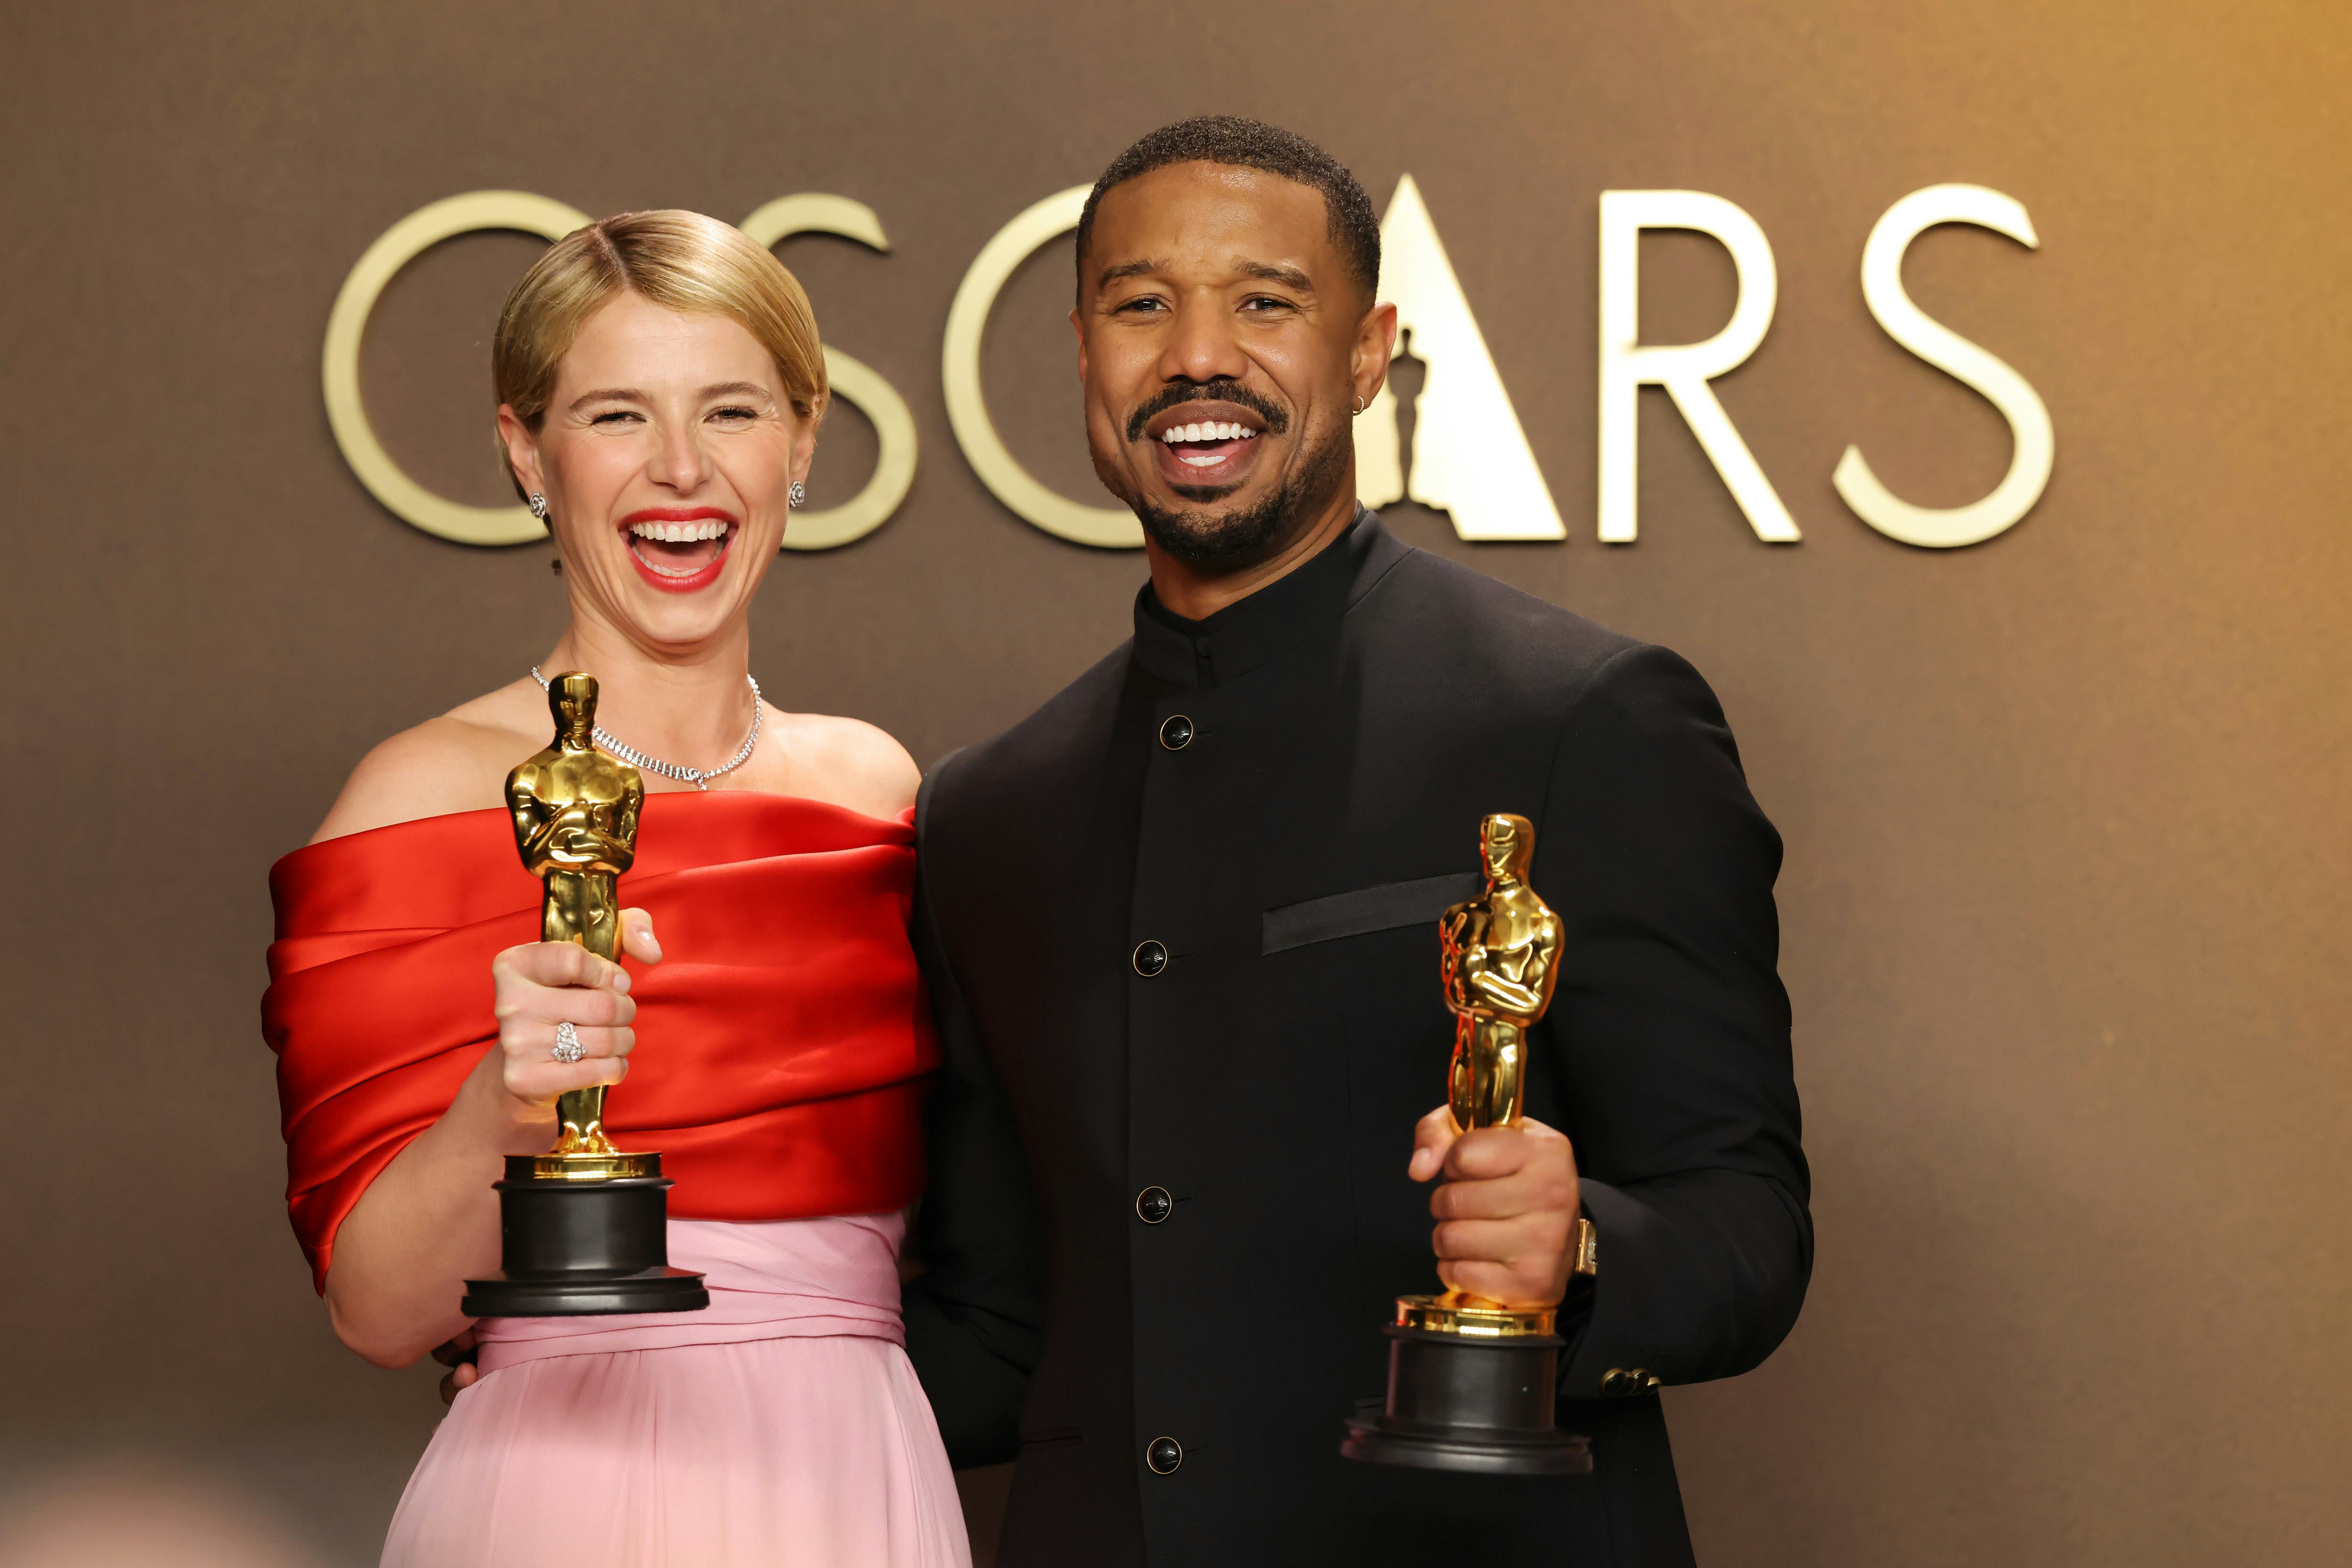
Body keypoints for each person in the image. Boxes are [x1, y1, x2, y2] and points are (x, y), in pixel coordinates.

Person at [902, 117, 1811, 1566]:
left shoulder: (1585, 717)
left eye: (1266, 302)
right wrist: (681, 1373)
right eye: (1144, 305)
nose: (1199, 356)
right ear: (1083, 350)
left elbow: (1747, 1229)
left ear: (1372, 347)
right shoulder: (985, 813)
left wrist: (1576, 1252)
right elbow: (1010, 1326)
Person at [262, 210, 969, 1568]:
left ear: (806, 440)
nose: (683, 470)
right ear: (527, 451)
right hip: (563, 1493)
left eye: (732, 409)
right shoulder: (418, 797)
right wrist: (505, 1111)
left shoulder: (880, 791)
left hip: (863, 1482)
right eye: (616, 417)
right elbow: (376, 1309)